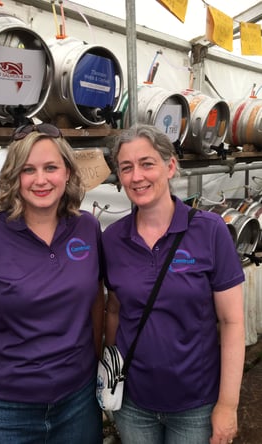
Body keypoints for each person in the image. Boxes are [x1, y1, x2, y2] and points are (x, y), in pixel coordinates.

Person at [0, 123, 104, 444]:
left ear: (67, 173)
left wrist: (94, 375)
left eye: (51, 168)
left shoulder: (87, 229)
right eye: (28, 169)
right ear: (13, 176)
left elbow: (97, 305)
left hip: (78, 400)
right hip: (7, 409)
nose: (41, 180)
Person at [102, 123, 245, 444]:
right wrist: (111, 373)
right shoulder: (113, 239)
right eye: (126, 168)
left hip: (196, 403)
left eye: (147, 163)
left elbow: (232, 321)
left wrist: (228, 404)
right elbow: (114, 311)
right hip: (133, 402)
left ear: (170, 167)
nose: (137, 176)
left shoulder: (210, 231)